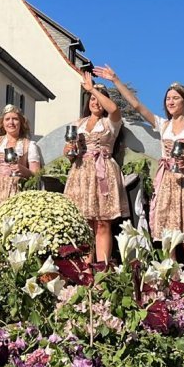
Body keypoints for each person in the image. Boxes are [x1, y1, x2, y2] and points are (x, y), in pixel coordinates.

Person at [94, 65, 184, 283]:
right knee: (167, 241)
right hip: (167, 182)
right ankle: (169, 289)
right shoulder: (163, 125)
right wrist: (115, 79)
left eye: (175, 98)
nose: (170, 102)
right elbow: (136, 104)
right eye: (168, 98)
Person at [63, 72, 129, 262]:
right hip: (81, 172)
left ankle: (102, 271)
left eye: (99, 99)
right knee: (84, 223)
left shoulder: (110, 122)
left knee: (102, 223)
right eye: (92, 99)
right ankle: (85, 271)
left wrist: (93, 88)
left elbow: (114, 108)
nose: (95, 102)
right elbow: (69, 155)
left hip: (103, 172)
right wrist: (69, 150)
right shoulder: (78, 124)